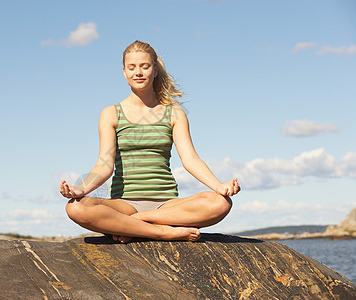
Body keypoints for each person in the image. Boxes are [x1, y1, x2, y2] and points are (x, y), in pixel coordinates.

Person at [60, 40, 240, 243]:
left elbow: (190, 159)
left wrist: (219, 186)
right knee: (76, 207)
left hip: (167, 206)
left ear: (155, 70)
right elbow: (104, 166)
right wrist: (80, 190)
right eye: (132, 67)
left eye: (145, 66)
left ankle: (137, 223)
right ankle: (164, 232)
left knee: (221, 203)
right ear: (124, 72)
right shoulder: (111, 114)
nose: (138, 72)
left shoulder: (175, 113)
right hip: (124, 204)